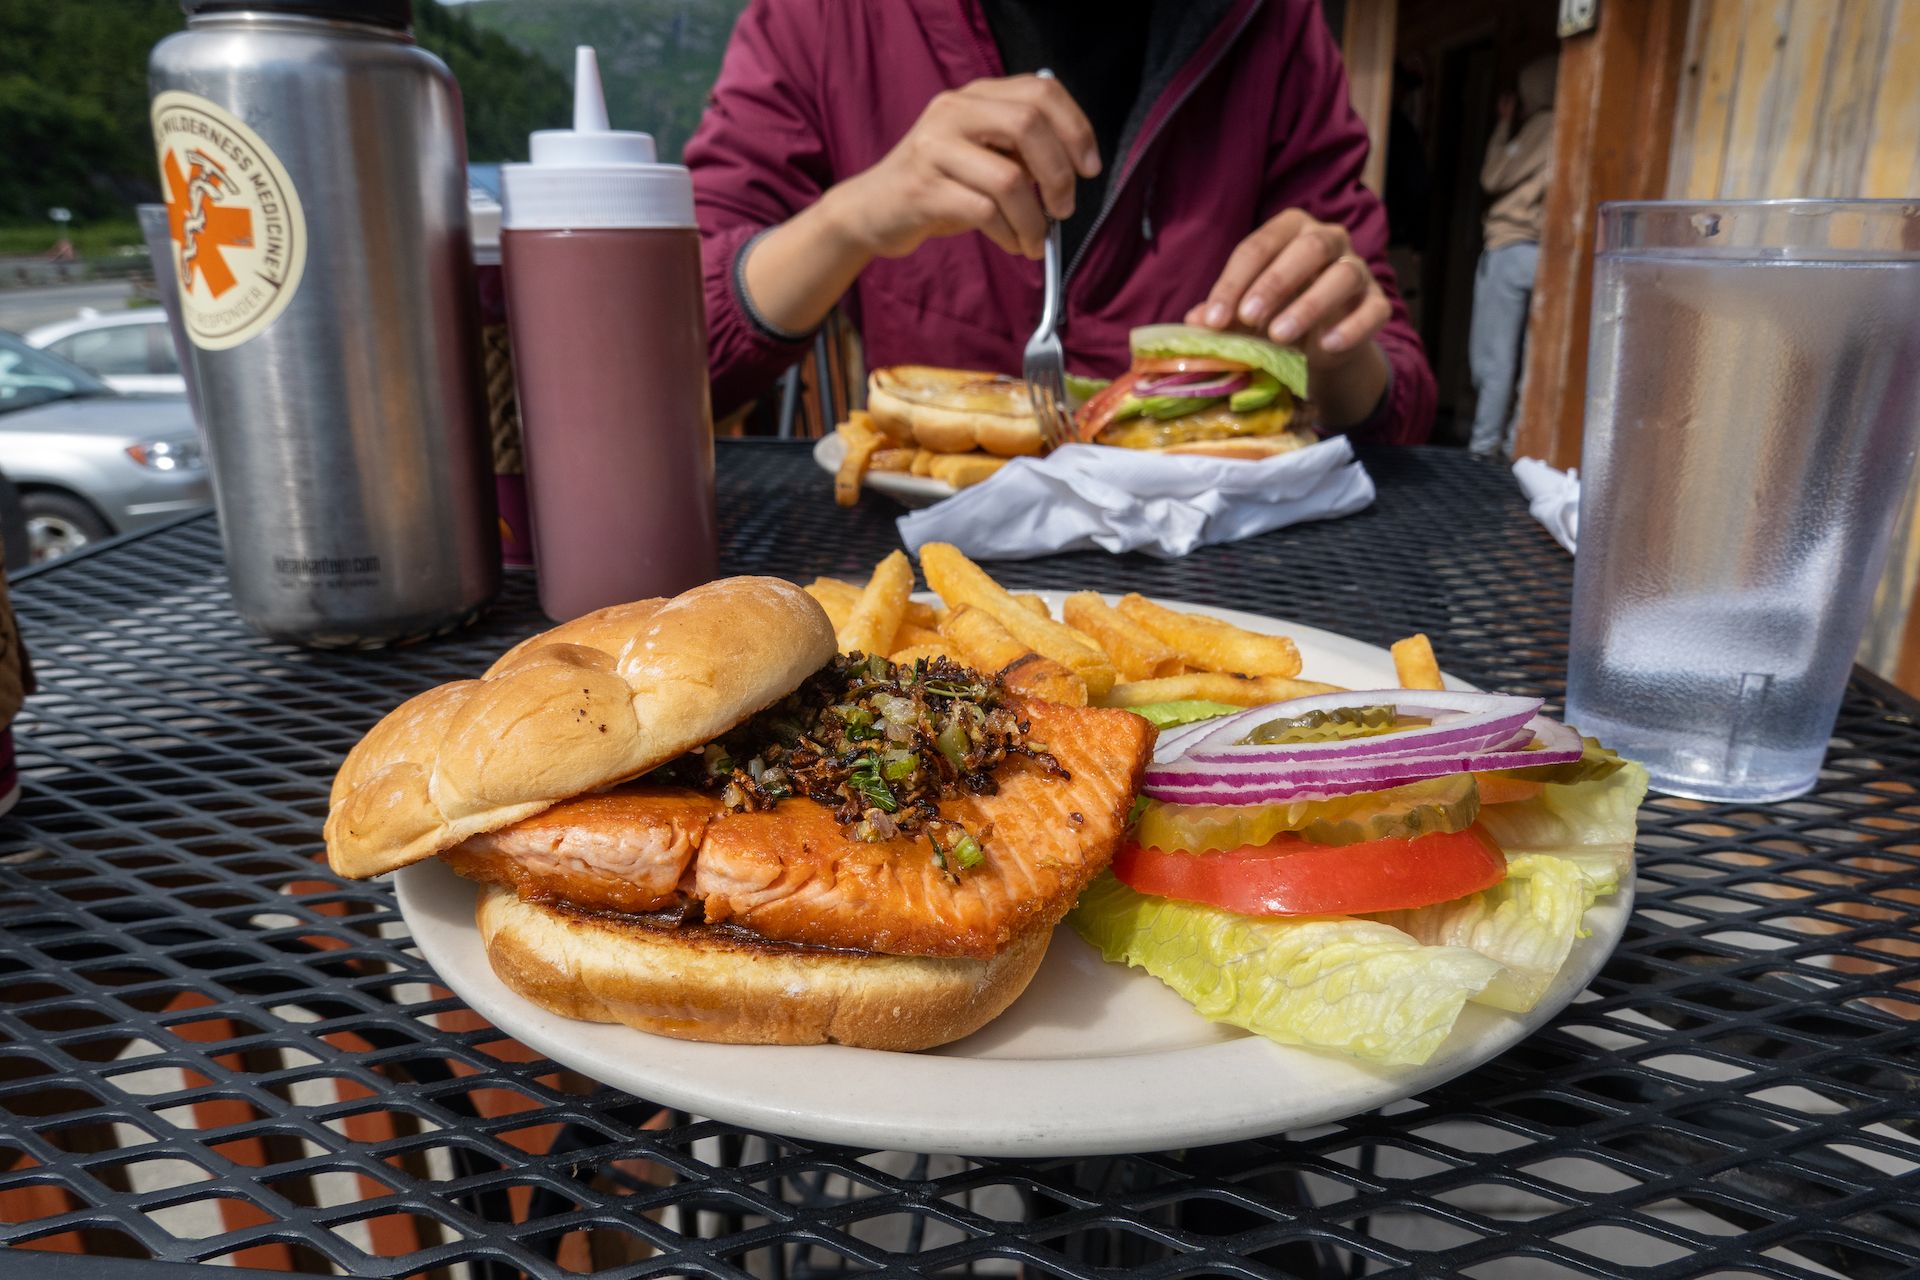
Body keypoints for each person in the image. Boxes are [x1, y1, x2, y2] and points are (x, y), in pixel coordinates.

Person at [685, 0, 1436, 444]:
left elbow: (1398, 413)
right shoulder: (821, 18)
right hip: (918, 557)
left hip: (1226, 564)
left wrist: (1336, 352)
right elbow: (675, 359)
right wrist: (845, 222)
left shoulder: (1274, 23)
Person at [1467, 55, 1556, 459]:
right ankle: (1516, 444)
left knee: (1494, 356)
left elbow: (1493, 176)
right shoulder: (1568, 126)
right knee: (1531, 355)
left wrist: (1504, 126)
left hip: (1510, 247)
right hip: (1541, 251)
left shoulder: (1541, 126)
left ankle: (1484, 447)